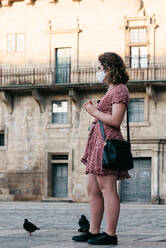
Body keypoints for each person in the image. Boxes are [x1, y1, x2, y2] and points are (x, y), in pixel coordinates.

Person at [72, 52, 131, 245]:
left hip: (108, 143)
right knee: (93, 189)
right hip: (97, 142)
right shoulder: (110, 90)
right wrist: (94, 112)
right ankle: (93, 230)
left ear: (108, 69)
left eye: (99, 68)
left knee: (108, 189)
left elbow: (115, 120)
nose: (97, 72)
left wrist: (94, 111)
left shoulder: (120, 90)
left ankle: (110, 234)